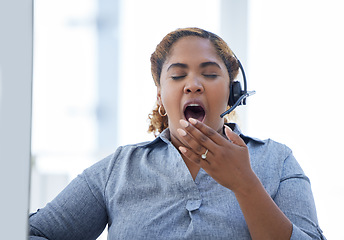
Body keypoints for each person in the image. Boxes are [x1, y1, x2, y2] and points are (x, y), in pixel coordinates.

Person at [29, 27, 325, 240]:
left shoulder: (278, 160)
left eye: (209, 74)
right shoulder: (118, 169)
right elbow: (32, 233)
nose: (193, 84)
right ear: (160, 95)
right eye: (178, 75)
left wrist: (246, 185)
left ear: (234, 93)